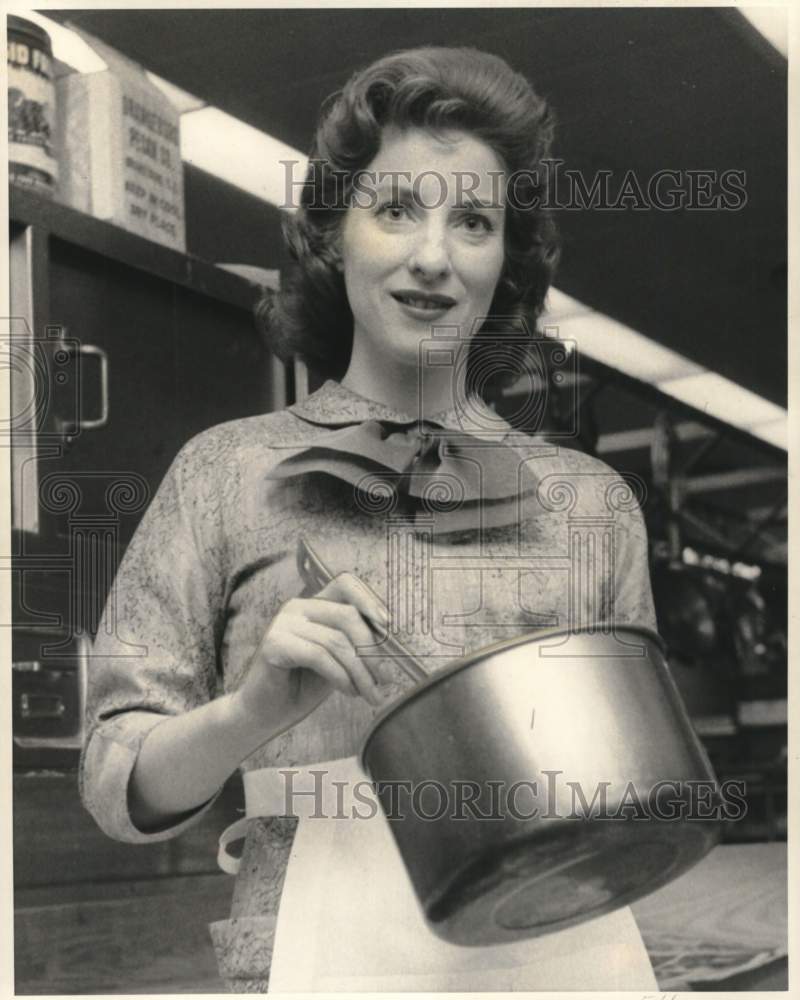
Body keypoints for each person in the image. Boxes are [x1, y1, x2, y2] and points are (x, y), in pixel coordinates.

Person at [81, 46, 659, 991]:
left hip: (561, 950)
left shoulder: (592, 506)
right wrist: (251, 710)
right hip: (310, 946)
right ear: (332, 234)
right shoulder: (223, 474)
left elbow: (636, 785)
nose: (433, 256)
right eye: (396, 209)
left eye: (473, 221)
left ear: (505, 257)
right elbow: (116, 781)